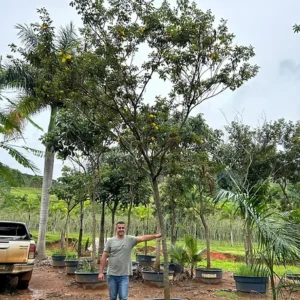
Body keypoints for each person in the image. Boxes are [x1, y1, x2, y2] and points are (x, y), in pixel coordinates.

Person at [98, 221, 162, 300]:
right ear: (116, 229)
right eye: (119, 228)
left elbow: (143, 238)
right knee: (113, 297)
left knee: (123, 297)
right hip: (112, 275)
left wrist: (156, 236)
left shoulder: (130, 239)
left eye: (123, 228)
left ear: (125, 229)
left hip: (124, 275)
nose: (121, 229)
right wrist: (101, 272)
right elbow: (104, 256)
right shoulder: (110, 241)